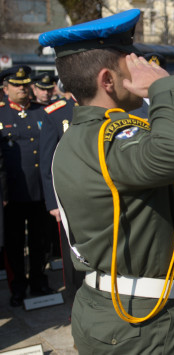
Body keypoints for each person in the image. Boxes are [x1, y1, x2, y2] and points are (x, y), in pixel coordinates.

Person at [39, 9, 174, 353]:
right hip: (137, 326)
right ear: (108, 80)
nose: (142, 67)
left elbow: (116, 225)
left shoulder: (81, 136)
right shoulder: (111, 138)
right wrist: (163, 85)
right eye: (132, 64)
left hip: (112, 309)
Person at [0, 65, 55, 307]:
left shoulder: (42, 112)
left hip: (40, 190)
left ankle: (39, 280)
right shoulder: (1, 115)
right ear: (5, 88)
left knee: (40, 239)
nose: (22, 88)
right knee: (13, 243)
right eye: (16, 85)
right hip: (11, 192)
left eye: (25, 84)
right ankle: (18, 286)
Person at [39, 85, 83, 303]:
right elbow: (47, 163)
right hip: (68, 197)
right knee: (73, 252)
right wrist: (52, 202)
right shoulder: (55, 114)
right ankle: (76, 299)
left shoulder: (107, 109)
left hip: (101, 195)